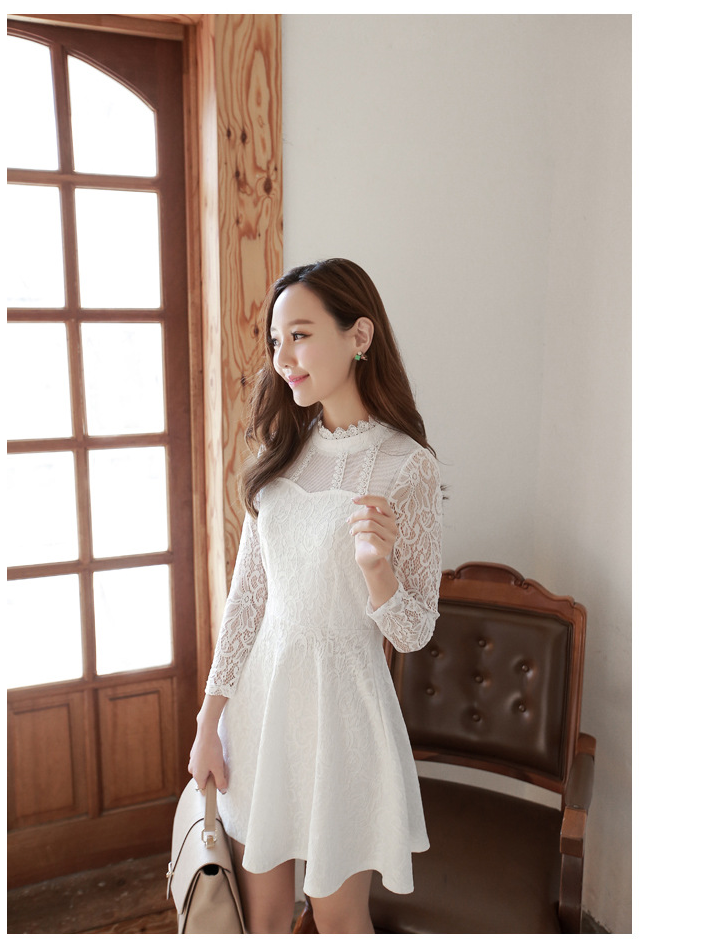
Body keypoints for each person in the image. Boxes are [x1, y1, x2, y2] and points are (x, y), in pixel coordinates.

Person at [188, 258, 443, 934]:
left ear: (359, 335)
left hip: (345, 714)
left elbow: (415, 630)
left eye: (299, 335)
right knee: (265, 916)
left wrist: (377, 568)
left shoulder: (407, 465)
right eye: (276, 341)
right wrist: (208, 721)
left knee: (337, 914)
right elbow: (247, 601)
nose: (283, 358)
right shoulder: (282, 450)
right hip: (263, 707)